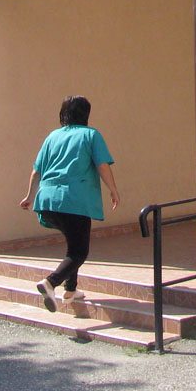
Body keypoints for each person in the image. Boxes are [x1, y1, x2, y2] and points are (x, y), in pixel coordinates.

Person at [19, 95, 119, 313]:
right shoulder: (91, 135)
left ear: (63, 113)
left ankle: (70, 290)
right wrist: (113, 189)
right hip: (74, 201)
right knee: (79, 252)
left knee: (73, 244)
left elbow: (36, 171)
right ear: (86, 114)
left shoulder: (52, 136)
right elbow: (102, 165)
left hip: (47, 201)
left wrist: (29, 196)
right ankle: (50, 283)